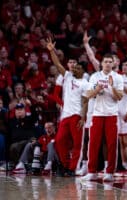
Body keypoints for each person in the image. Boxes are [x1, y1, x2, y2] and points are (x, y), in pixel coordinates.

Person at [47, 37, 90, 176]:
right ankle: (65, 165)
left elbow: (85, 102)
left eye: (77, 66)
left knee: (78, 144)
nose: (74, 68)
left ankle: (73, 168)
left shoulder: (85, 82)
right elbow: (57, 64)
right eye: (73, 65)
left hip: (77, 115)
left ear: (82, 69)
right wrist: (51, 51)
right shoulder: (67, 76)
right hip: (65, 115)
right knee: (59, 140)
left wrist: (83, 117)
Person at [81, 54, 123, 182]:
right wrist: (97, 88)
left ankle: (109, 172)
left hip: (112, 114)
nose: (108, 64)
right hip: (97, 113)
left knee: (111, 144)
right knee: (93, 143)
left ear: (114, 64)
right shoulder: (95, 76)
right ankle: (92, 171)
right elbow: (87, 95)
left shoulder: (117, 77)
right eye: (106, 61)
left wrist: (112, 87)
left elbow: (119, 97)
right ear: (102, 63)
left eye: (110, 62)